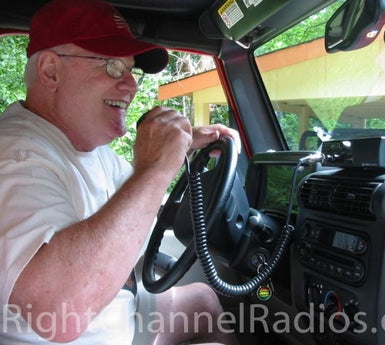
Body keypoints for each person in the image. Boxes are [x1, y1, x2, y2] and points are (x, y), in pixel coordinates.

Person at [0, 0, 241, 344]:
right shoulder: (14, 158)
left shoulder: (85, 146)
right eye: (113, 66)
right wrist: (155, 169)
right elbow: (58, 315)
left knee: (203, 299)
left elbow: (130, 206)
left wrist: (176, 151)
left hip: (122, 314)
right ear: (51, 72)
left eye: (131, 70)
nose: (131, 85)